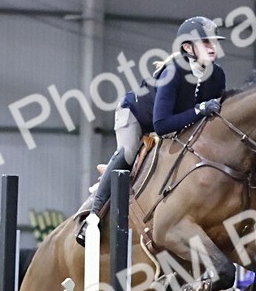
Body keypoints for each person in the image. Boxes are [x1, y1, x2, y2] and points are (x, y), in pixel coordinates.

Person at [75, 16, 227, 246]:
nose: (212, 47)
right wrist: (199, 110)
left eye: (213, 42)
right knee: (127, 153)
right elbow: (161, 125)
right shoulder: (173, 72)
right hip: (136, 116)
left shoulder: (217, 76)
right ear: (188, 47)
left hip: (176, 123)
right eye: (206, 42)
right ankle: (92, 217)